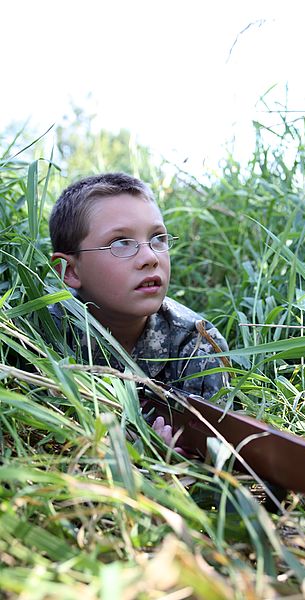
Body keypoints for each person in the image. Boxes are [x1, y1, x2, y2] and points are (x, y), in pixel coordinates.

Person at [48, 172, 229, 448]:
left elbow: (218, 454)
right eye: (121, 243)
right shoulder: (39, 335)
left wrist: (175, 460)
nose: (150, 258)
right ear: (70, 271)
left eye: (158, 238)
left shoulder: (198, 345)